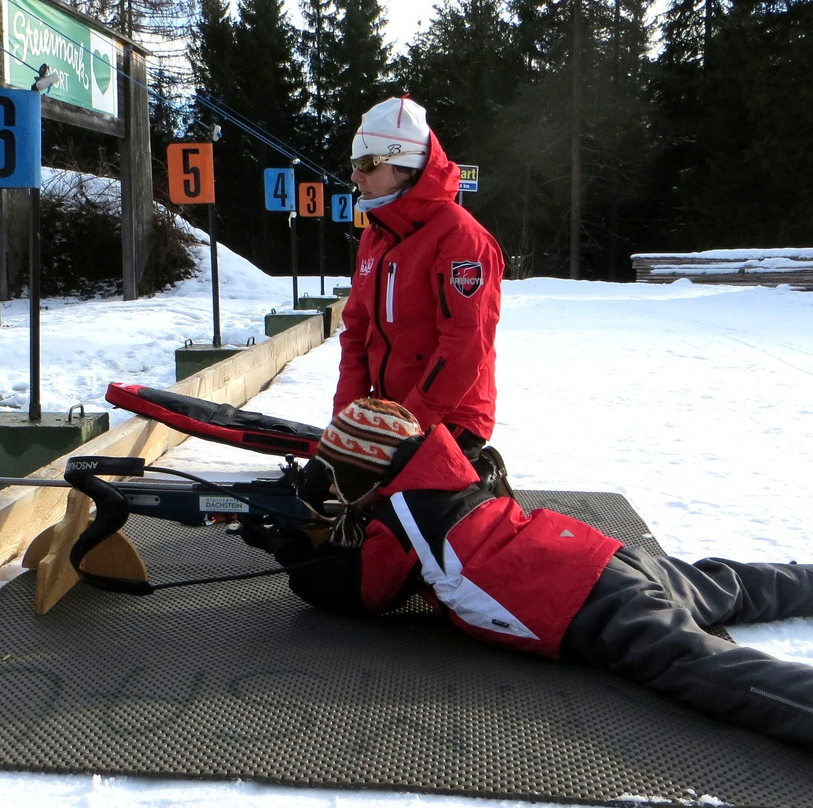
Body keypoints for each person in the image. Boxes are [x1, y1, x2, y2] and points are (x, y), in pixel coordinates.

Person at [251, 398, 813, 745]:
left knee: (703, 669)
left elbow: (363, 593)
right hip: (599, 556)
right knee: (731, 583)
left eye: (338, 475)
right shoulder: (448, 474)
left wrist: (294, 551)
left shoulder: (404, 519)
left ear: (363, 474)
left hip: (585, 605)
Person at [336, 96, 505, 466]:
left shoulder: (461, 239)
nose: (354, 176)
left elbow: (464, 346)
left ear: (407, 167)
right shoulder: (376, 235)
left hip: (450, 420)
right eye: (353, 164)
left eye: (366, 164)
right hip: (393, 416)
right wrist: (347, 419)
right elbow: (356, 331)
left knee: (390, 516)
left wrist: (405, 428)